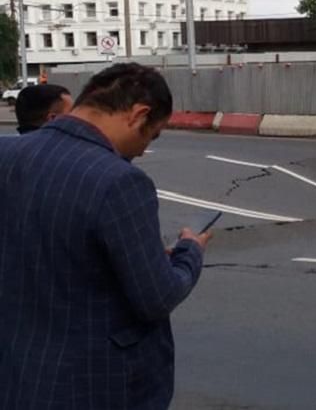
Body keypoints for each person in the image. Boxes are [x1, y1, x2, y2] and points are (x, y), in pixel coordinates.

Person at [0, 63, 210, 409]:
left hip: (17, 377)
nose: (143, 150)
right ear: (138, 114)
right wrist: (190, 252)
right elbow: (156, 297)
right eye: (151, 135)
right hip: (93, 386)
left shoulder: (7, 154)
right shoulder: (118, 181)